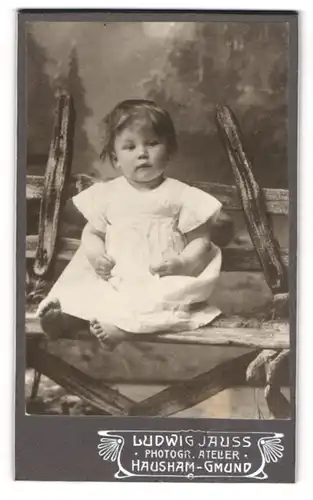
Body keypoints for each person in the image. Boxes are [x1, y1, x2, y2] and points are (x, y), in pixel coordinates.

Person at [37, 99, 223, 349]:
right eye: (130, 147)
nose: (142, 153)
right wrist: (95, 255)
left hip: (157, 275)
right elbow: (91, 233)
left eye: (152, 143)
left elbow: (201, 240)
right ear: (115, 159)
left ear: (169, 151)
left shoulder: (181, 195)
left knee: (156, 301)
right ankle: (66, 317)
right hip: (116, 274)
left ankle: (121, 331)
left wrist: (182, 263)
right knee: (92, 289)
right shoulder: (107, 194)